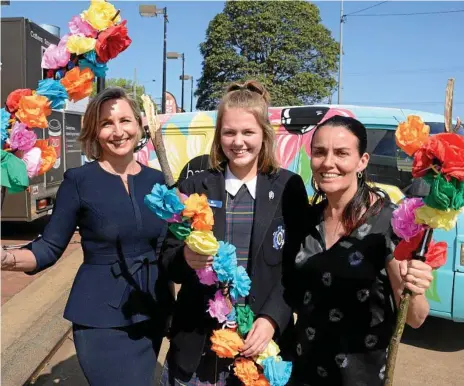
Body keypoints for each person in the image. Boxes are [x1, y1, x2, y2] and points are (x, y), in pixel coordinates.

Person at [1, 87, 173, 385]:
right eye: (107, 123)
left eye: (125, 121)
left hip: (151, 313)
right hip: (99, 319)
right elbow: (49, 247)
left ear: (139, 125)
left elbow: (168, 249)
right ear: (95, 131)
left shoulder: (158, 182)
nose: (118, 131)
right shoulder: (79, 181)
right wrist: (7, 258)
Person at [159, 80, 308, 385]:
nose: (238, 141)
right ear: (219, 137)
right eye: (229, 132)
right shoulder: (193, 188)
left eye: (248, 132)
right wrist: (186, 258)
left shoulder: (287, 189)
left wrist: (271, 320)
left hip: (261, 345)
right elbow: (167, 261)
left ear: (264, 134)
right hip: (199, 347)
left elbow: (294, 269)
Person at [288, 115, 433, 386]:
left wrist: (416, 286)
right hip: (303, 372)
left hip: (359, 378)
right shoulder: (309, 218)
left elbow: (414, 318)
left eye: (342, 153)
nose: (328, 162)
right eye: (319, 152)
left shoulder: (389, 224)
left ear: (362, 161)